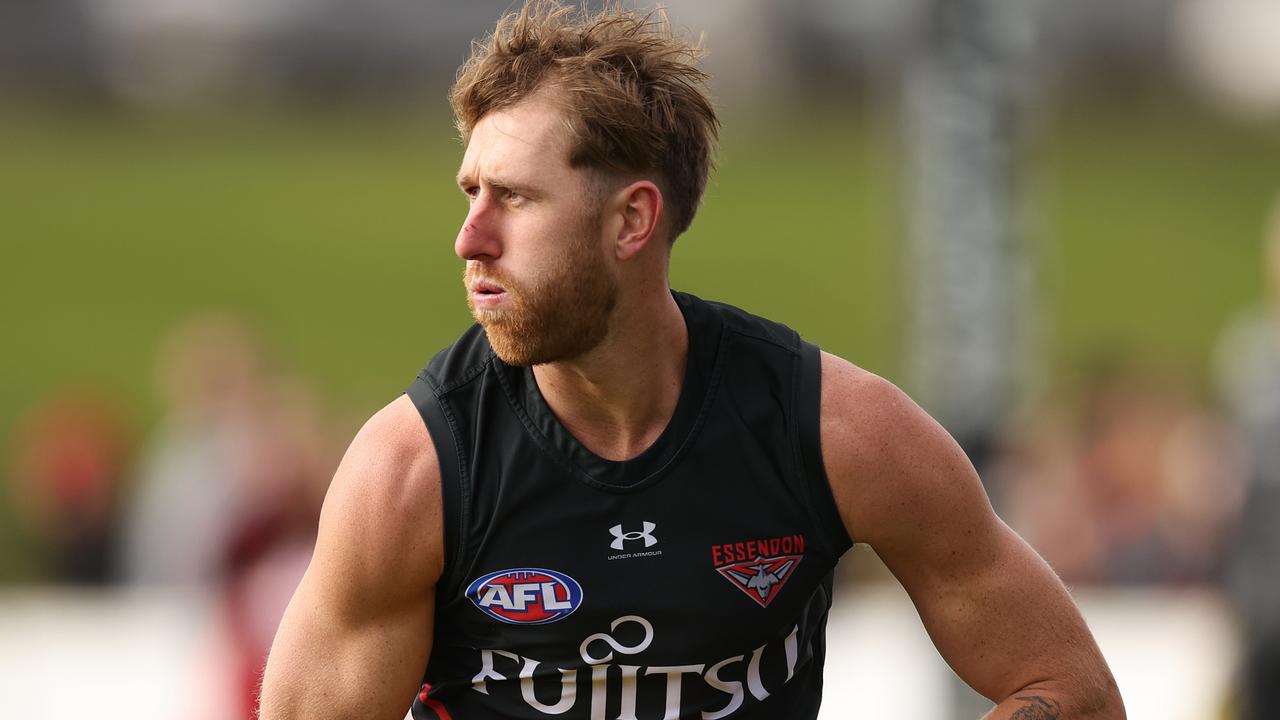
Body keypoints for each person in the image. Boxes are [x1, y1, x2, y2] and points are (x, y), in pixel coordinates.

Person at [260, 2, 1124, 718]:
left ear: (632, 221)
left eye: (514, 198)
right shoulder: (411, 474)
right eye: (470, 193)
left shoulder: (834, 432)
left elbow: (1070, 691)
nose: (469, 239)